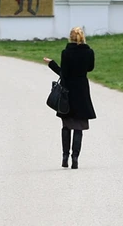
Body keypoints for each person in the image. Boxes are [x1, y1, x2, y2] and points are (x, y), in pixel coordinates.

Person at [43, 27, 96, 169]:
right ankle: (75, 158)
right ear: (83, 37)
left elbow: (63, 73)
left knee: (66, 125)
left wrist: (51, 63)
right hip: (82, 91)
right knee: (78, 127)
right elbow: (90, 68)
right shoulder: (89, 52)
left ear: (70, 37)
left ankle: (65, 156)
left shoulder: (66, 53)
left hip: (67, 92)